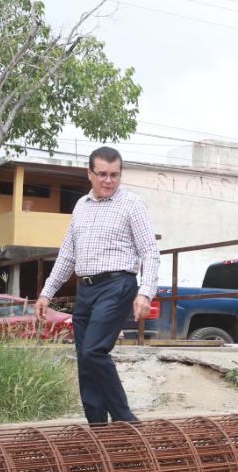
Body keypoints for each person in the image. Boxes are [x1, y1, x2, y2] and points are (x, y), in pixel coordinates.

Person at [37, 146, 160, 424]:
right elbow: (68, 253)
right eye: (102, 174)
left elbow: (150, 252)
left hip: (118, 285)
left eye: (114, 175)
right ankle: (97, 427)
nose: (109, 180)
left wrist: (145, 292)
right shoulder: (81, 206)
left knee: (94, 350)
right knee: (85, 358)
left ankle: (124, 419)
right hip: (87, 288)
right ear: (89, 174)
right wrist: (47, 292)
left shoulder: (132, 204)